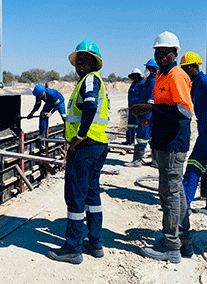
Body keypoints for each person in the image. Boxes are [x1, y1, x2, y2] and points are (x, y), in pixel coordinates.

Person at [132, 31, 193, 263]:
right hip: (163, 142)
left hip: (173, 143)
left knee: (169, 195)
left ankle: (171, 246)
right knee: (176, 193)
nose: (160, 56)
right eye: (157, 52)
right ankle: (183, 240)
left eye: (165, 52)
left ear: (175, 53)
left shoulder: (176, 76)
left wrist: (150, 110)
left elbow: (184, 112)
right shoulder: (162, 75)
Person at [48, 39, 109, 264]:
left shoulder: (90, 80)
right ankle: (96, 242)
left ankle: (73, 248)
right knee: (92, 195)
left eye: (86, 59)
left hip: (85, 147)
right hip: (98, 145)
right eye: (78, 59)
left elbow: (91, 105)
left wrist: (81, 134)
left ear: (94, 62)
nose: (80, 63)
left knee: (76, 197)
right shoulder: (93, 81)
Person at [180, 52, 207, 214]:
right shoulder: (193, 84)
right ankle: (185, 204)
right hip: (203, 133)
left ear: (195, 67)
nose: (183, 72)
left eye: (186, 69)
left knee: (195, 165)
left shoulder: (204, 82)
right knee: (193, 165)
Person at [125, 59, 158, 167]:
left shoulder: (152, 81)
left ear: (152, 70)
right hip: (144, 114)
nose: (146, 70)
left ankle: (137, 161)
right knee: (150, 137)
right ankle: (155, 161)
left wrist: (146, 117)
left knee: (142, 136)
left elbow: (151, 101)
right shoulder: (149, 81)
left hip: (146, 115)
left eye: (148, 68)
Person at [124, 68, 144, 145]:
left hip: (138, 109)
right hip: (131, 108)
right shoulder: (133, 84)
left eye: (136, 76)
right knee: (130, 125)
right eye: (133, 76)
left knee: (137, 126)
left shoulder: (142, 85)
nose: (134, 77)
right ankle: (129, 140)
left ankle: (136, 142)